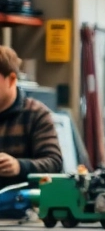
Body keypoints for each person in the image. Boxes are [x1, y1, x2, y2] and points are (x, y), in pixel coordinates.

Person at [0, 47, 61, 178]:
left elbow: (54, 162)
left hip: (23, 196)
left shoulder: (36, 114)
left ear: (11, 79)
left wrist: (19, 167)